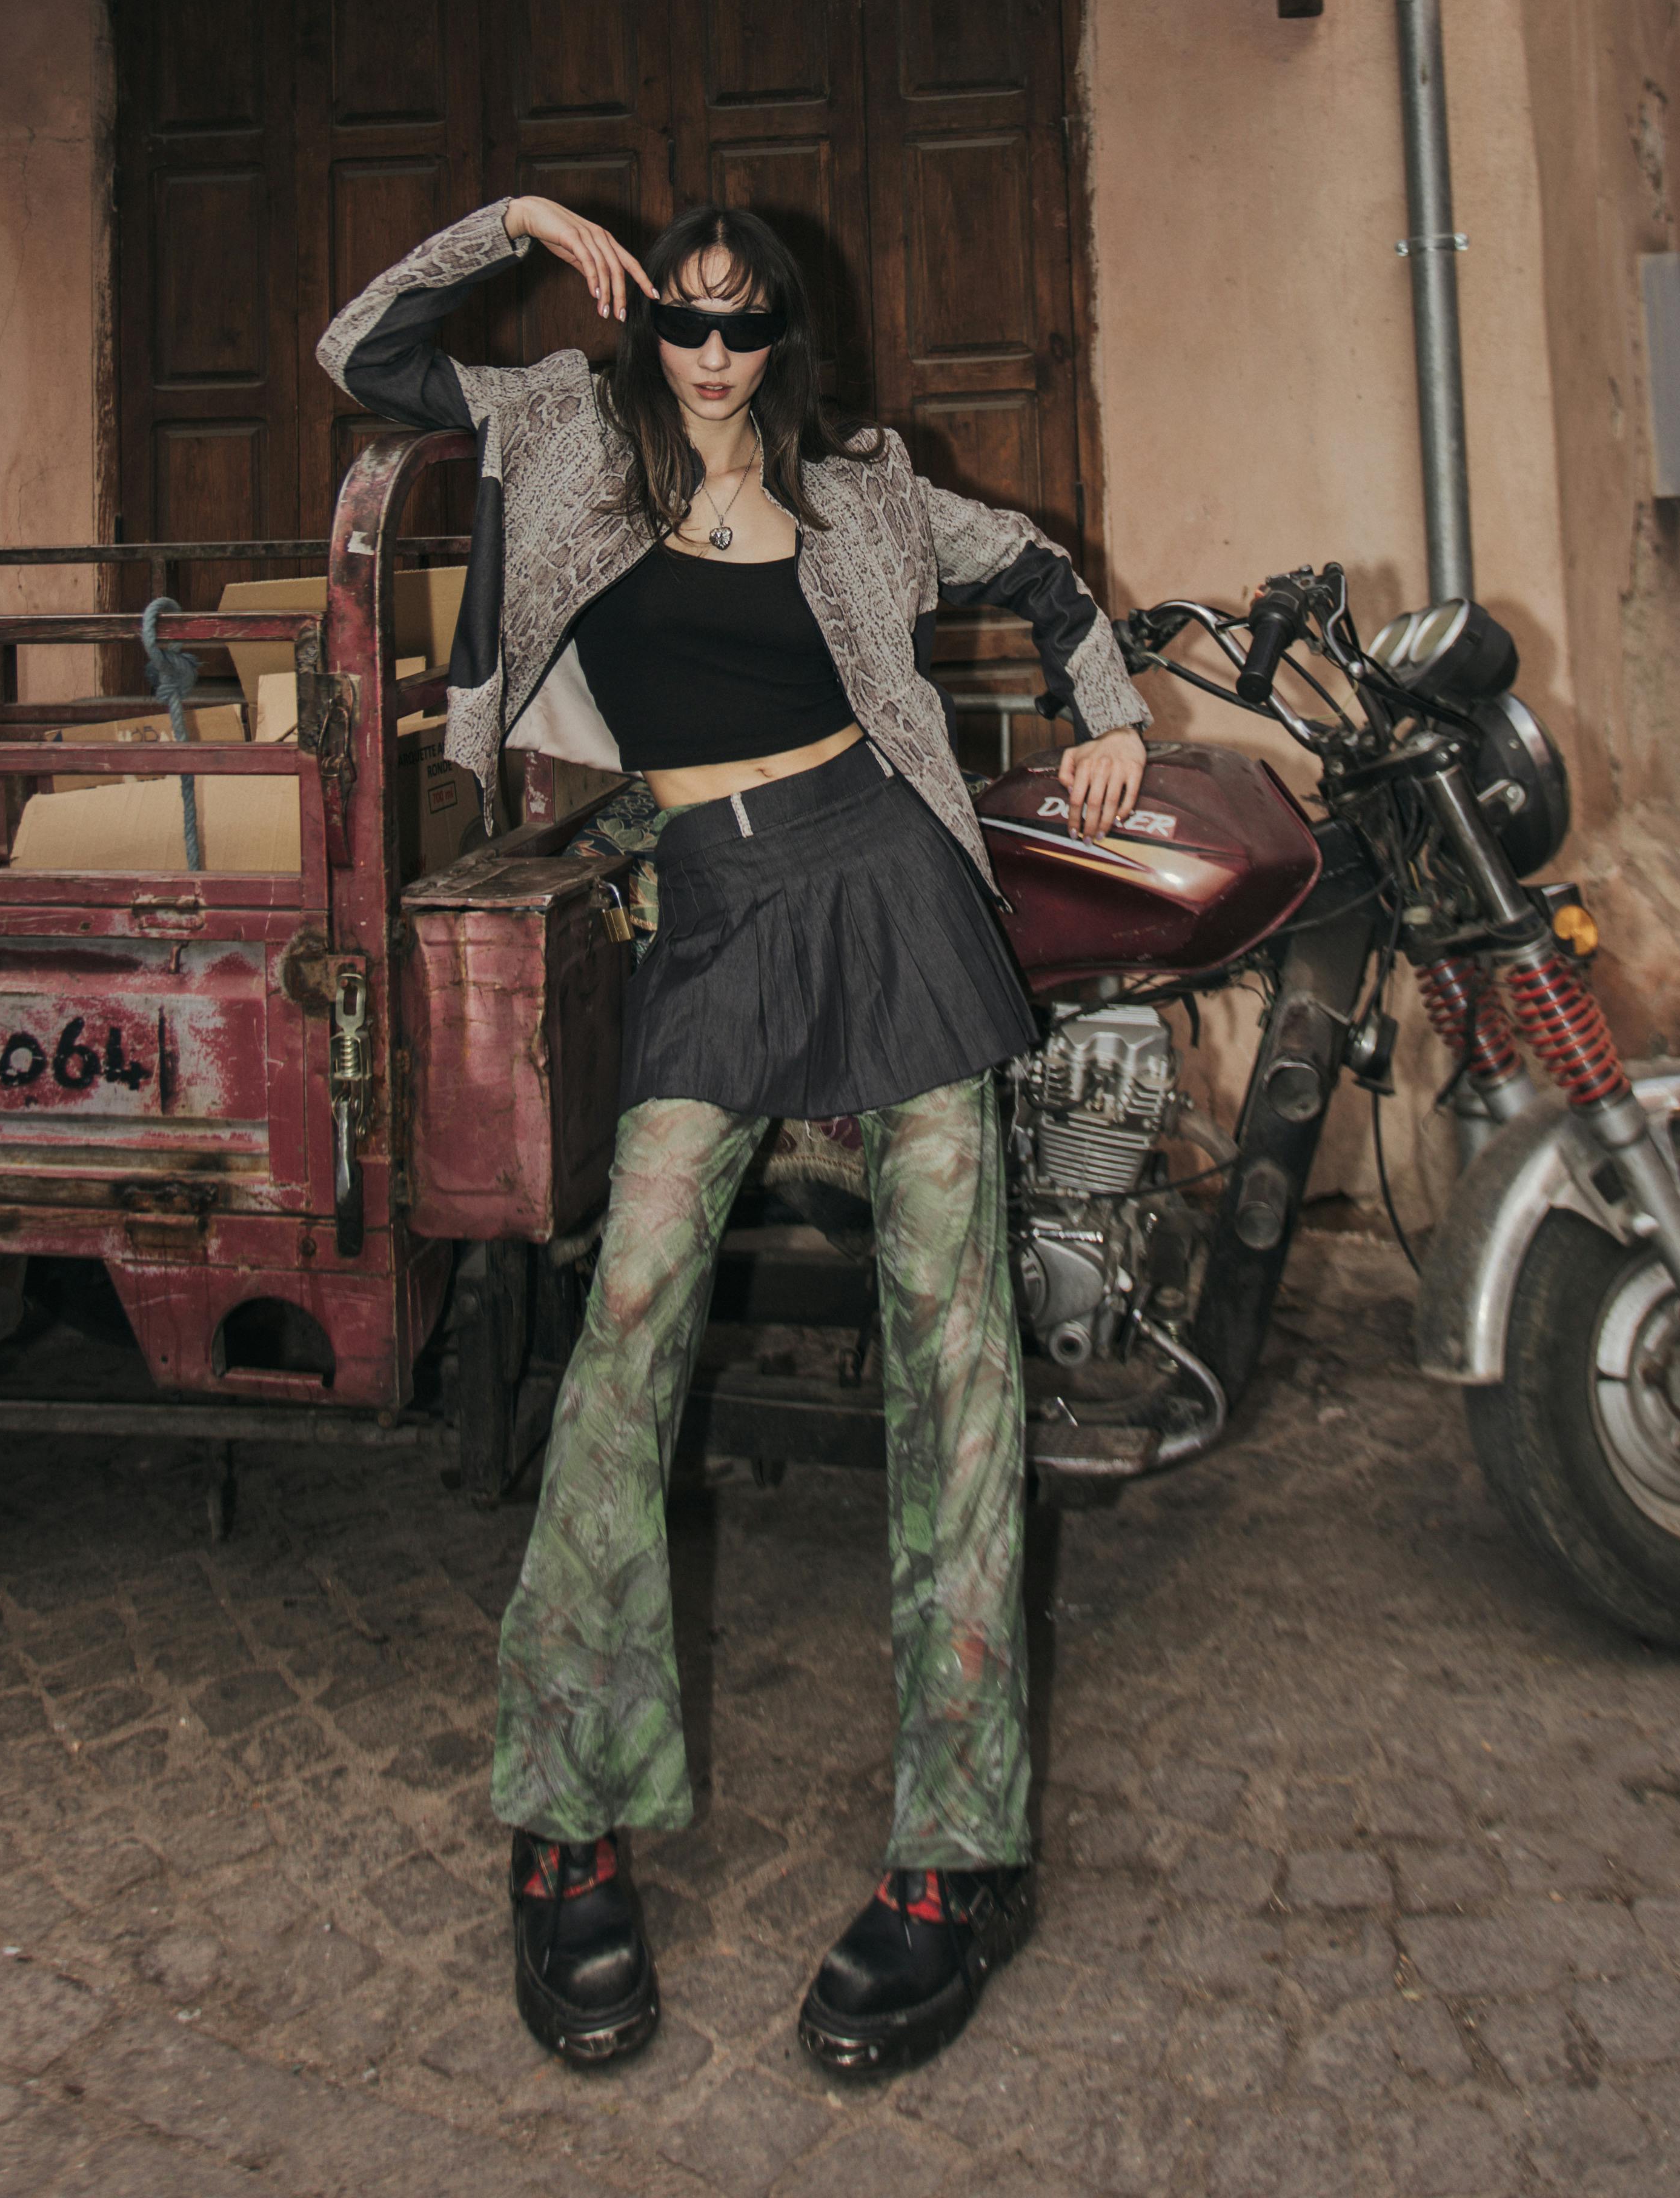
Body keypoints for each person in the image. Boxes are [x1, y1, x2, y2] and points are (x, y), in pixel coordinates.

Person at [317, 193, 1149, 2078]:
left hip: (891, 889)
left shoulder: (863, 492)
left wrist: (1108, 712)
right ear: (641, 336)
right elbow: (360, 356)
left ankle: (958, 1856)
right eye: (680, 328)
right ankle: (568, 1818)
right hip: (710, 904)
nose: (706, 361)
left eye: (741, 329)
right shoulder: (550, 427)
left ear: (786, 340)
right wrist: (514, 221)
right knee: (626, 1344)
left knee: (959, 1370)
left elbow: (1040, 569)